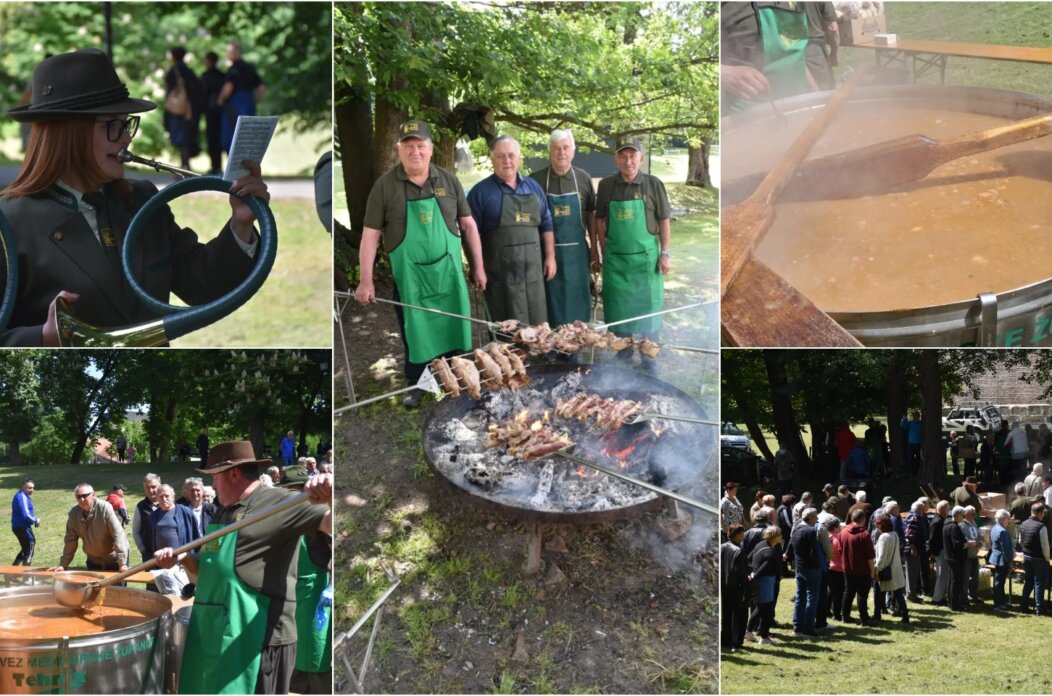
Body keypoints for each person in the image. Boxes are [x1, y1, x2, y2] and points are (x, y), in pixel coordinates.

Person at [0, 48, 270, 347]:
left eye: (126, 123)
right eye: (112, 126)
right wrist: (42, 338)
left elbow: (201, 285)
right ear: (69, 133)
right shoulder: (10, 222)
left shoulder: (142, 198)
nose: (127, 138)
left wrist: (241, 225)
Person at [154, 441, 332, 694]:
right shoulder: (221, 513)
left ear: (234, 474)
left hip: (259, 642)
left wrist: (333, 496)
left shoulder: (282, 502)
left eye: (215, 477)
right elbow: (205, 575)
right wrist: (180, 559)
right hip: (216, 635)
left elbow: (331, 523)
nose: (212, 485)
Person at [595, 135, 670, 368]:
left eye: (632, 156)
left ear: (641, 159)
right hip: (616, 263)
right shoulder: (607, 186)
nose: (628, 162)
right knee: (619, 314)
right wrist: (603, 251)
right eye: (623, 157)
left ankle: (649, 359)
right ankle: (623, 357)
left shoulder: (653, 184)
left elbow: (664, 219)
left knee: (648, 312)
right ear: (616, 160)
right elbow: (600, 221)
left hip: (647, 262)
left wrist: (665, 252)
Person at [468, 135, 555, 327]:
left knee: (537, 327)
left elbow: (547, 224)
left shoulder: (534, 188)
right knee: (505, 328)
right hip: (499, 275)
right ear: (493, 159)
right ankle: (505, 356)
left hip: (533, 273)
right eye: (500, 156)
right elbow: (468, 235)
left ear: (519, 158)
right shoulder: (480, 193)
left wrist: (550, 257)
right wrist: (477, 268)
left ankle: (535, 355)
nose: (507, 161)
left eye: (511, 155)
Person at [528, 129, 598, 329]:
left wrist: (594, 247)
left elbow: (591, 214)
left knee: (577, 295)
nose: (561, 153)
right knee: (550, 298)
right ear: (549, 151)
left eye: (566, 148)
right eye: (556, 148)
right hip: (547, 253)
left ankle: (575, 342)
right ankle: (550, 344)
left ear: (573, 151)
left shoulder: (583, 179)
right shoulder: (536, 180)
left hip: (577, 252)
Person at [279, 465, 333, 692]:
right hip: (288, 607)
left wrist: (332, 586)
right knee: (292, 674)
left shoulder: (318, 522)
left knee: (316, 667)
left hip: (314, 609)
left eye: (296, 491)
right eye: (287, 492)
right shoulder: (283, 521)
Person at [720, 2, 814, 109]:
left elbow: (795, 56)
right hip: (744, 117)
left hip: (799, 106)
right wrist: (724, 72)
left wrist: (817, 95)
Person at [49, 483, 129, 572]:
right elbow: (70, 540)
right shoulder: (73, 513)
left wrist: (122, 563)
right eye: (78, 497)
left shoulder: (104, 508)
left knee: (116, 586)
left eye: (84, 496)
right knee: (95, 586)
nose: (81, 499)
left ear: (93, 495)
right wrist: (63, 564)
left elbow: (118, 535)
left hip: (115, 559)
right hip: (93, 561)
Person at [149, 484, 200, 595]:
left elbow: (196, 537)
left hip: (182, 565)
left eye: (167, 496)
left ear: (173, 496)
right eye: (160, 496)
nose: (164, 499)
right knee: (167, 597)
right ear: (157, 498)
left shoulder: (185, 512)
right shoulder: (154, 515)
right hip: (162, 564)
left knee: (186, 596)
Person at [218, 41, 265, 154]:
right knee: (247, 136)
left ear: (233, 53)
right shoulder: (250, 68)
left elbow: (228, 88)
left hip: (234, 106)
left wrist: (220, 99)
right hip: (249, 106)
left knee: (231, 137)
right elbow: (261, 87)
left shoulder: (234, 69)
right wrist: (253, 100)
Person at [163, 46, 204, 169]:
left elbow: (169, 92)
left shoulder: (173, 71)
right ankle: (185, 164)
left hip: (176, 111)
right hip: (188, 110)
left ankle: (184, 164)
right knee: (186, 138)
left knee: (181, 139)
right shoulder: (189, 71)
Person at [840, 508, 876, 625]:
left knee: (848, 592)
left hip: (847, 568)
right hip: (862, 570)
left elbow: (840, 550)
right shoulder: (864, 534)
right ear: (863, 520)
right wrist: (872, 570)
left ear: (852, 519)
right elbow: (870, 556)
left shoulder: (843, 532)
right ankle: (864, 619)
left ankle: (845, 616)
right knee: (862, 594)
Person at [872, 510, 909, 624]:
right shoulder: (895, 534)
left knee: (878, 593)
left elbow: (882, 557)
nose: (877, 528)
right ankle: (905, 616)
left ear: (881, 526)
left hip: (885, 570)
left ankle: (877, 615)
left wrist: (876, 569)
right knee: (898, 593)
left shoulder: (883, 537)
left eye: (877, 526)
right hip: (895, 569)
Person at [790, 507, 821, 636]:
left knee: (800, 597)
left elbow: (792, 547)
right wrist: (817, 565)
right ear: (811, 518)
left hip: (799, 567)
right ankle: (808, 628)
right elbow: (813, 552)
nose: (817, 519)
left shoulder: (797, 528)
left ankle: (797, 627)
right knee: (812, 597)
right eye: (815, 516)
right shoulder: (811, 531)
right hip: (810, 568)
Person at [749, 526, 783, 645]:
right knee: (767, 610)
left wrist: (751, 573)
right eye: (780, 535)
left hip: (760, 580)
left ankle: (748, 632)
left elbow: (750, 557)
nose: (781, 537)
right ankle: (764, 637)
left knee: (759, 608)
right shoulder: (770, 553)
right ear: (774, 537)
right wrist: (754, 576)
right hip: (766, 581)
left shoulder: (760, 544)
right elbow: (763, 569)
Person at [721, 524, 749, 652]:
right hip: (736, 587)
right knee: (738, 616)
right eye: (742, 533)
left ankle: (725, 640)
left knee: (726, 613)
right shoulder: (739, 550)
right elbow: (739, 572)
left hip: (725, 585)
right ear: (737, 535)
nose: (744, 535)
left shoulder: (722, 547)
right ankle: (736, 643)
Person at [1019, 501, 1050, 615]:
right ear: (1041, 513)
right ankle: (1039, 609)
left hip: (1026, 557)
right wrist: (1047, 559)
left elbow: (1020, 541)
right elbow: (1045, 546)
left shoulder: (1023, 524)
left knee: (1028, 582)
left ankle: (1023, 606)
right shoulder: (1042, 527)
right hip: (1039, 559)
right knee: (1039, 583)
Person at [199, 51, 225, 175]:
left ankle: (215, 166)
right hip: (220, 111)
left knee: (212, 138)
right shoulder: (222, 75)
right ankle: (218, 166)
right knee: (218, 138)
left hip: (210, 111)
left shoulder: (206, 76)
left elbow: (202, 94)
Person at [943, 505, 969, 611]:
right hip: (956, 558)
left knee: (952, 581)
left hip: (949, 557)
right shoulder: (955, 527)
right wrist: (967, 544)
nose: (963, 518)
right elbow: (957, 545)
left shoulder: (946, 525)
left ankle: (951, 603)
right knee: (956, 582)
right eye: (963, 515)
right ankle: (955, 605)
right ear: (957, 515)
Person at [903, 499, 929, 601]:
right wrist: (913, 548)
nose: (924, 511)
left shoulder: (916, 517)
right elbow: (909, 535)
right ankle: (910, 594)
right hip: (912, 550)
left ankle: (911, 593)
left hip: (917, 549)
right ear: (919, 509)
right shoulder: (914, 518)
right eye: (923, 509)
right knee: (912, 572)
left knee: (914, 572)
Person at [988, 509, 1014, 610]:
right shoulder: (1002, 531)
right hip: (1001, 560)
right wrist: (1010, 563)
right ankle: (998, 604)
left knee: (1000, 581)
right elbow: (1006, 549)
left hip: (997, 558)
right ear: (1003, 519)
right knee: (999, 582)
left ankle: (1002, 602)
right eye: (1008, 518)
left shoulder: (995, 528)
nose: (1009, 521)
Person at [133, 473, 162, 564]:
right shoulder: (141, 507)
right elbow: (136, 531)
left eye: (153, 487)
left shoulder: (169, 504)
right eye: (147, 488)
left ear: (160, 486)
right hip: (149, 555)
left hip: (168, 552)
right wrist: (142, 549)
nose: (150, 490)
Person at [11, 478, 40, 565]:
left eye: (33, 488)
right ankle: (26, 577)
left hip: (18, 527)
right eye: (29, 488)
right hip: (22, 527)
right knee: (30, 548)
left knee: (25, 549)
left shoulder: (21, 495)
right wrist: (35, 520)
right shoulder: (22, 497)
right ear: (24, 487)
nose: (32, 490)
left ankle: (12, 572)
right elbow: (26, 514)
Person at [928, 500, 951, 606]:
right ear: (942, 510)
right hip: (940, 551)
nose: (949, 510)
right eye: (947, 508)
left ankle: (942, 597)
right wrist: (933, 553)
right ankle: (936, 598)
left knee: (944, 575)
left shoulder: (941, 519)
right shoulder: (938, 521)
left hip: (942, 550)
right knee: (941, 575)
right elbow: (932, 539)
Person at [825, 517, 845, 621]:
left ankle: (826, 610)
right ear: (836, 527)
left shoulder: (826, 537)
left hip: (829, 566)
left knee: (830, 590)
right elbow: (843, 554)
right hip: (839, 568)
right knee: (839, 593)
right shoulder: (839, 538)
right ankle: (836, 614)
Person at [962, 506, 982, 603]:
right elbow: (963, 539)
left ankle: (973, 596)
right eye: (972, 513)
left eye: (974, 513)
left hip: (975, 554)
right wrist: (974, 542)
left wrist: (980, 539)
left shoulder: (974, 522)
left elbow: (977, 533)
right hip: (967, 555)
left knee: (975, 577)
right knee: (965, 577)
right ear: (966, 514)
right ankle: (964, 597)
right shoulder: (962, 524)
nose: (975, 515)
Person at [900, 411, 923, 477]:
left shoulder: (921, 423)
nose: (914, 417)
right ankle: (911, 472)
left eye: (916, 416)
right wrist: (903, 419)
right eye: (914, 416)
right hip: (911, 444)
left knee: (918, 459)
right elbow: (902, 425)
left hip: (918, 444)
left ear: (918, 416)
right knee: (910, 458)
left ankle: (916, 472)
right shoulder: (910, 423)